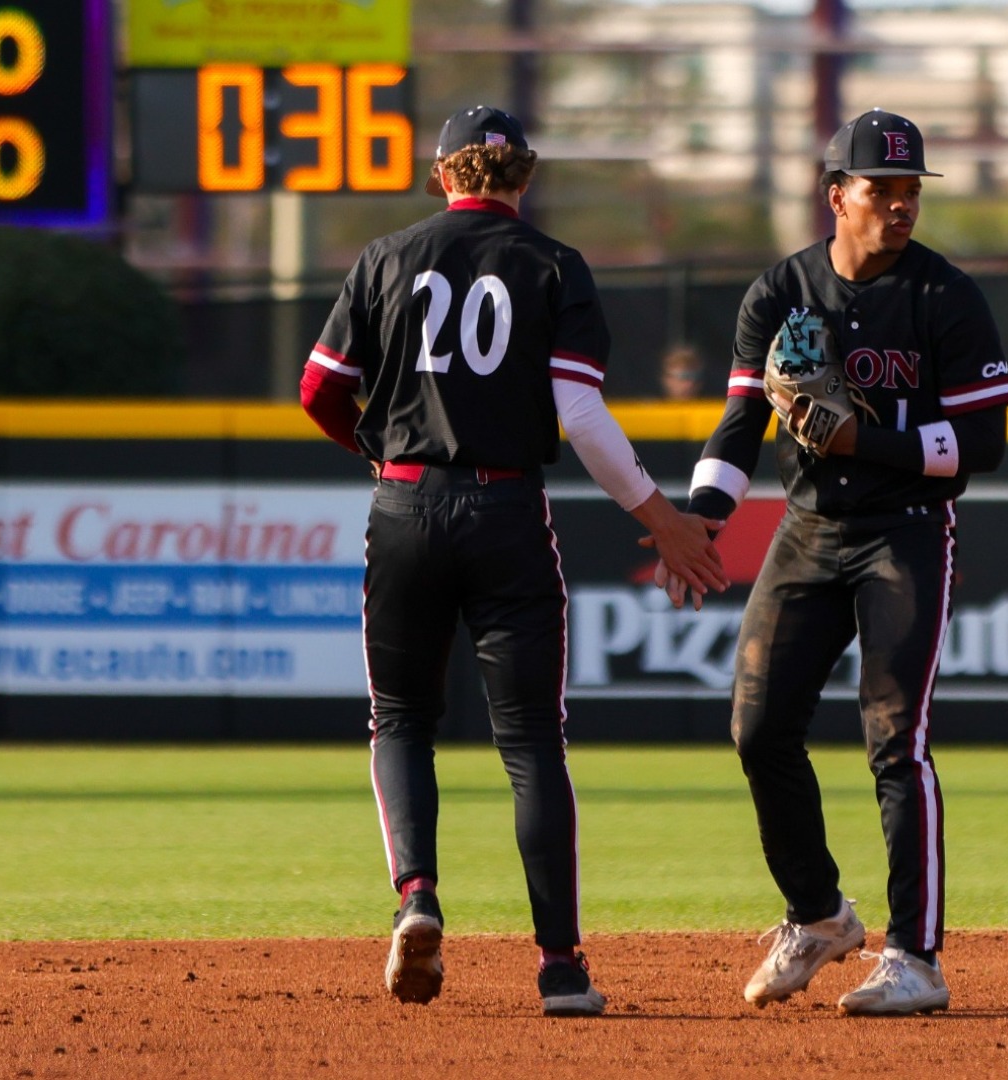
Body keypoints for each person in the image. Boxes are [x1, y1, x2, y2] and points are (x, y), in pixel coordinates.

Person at [298, 104, 727, 1017]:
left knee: (403, 721)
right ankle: (562, 967)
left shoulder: (384, 257)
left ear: (443, 174)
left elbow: (319, 388)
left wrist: (378, 454)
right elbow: (577, 415)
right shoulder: (555, 264)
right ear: (521, 177)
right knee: (532, 742)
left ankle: (418, 899)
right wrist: (662, 516)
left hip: (406, 504)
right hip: (504, 508)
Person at [658, 109, 1008, 1015]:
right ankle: (817, 914)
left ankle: (917, 959)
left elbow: (984, 441)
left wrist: (867, 435)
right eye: (881, 190)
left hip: (906, 528)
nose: (899, 207)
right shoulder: (782, 291)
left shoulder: (944, 296)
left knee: (897, 743)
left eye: (909, 191)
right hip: (808, 529)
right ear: (836, 197)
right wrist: (701, 517)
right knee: (757, 727)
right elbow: (741, 419)